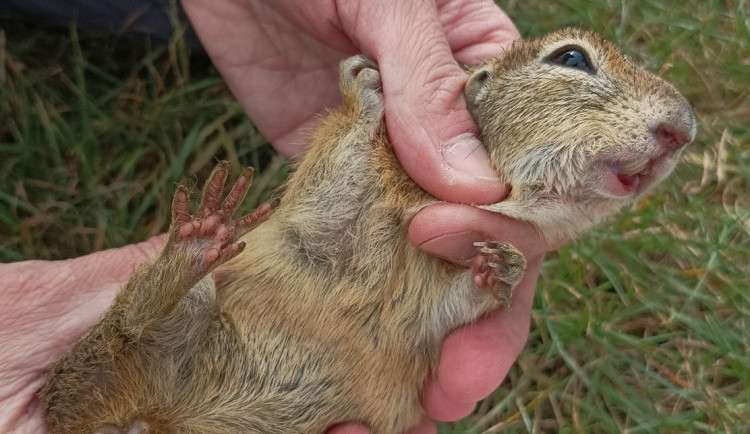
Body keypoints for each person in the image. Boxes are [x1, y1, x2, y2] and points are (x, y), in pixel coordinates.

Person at [0, 1, 553, 432]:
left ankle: (184, 267)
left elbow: (433, 317)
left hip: (277, 407)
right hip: (160, 384)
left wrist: (484, 281)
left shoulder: (477, 234)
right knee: (184, 305)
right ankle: (182, 267)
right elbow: (315, 225)